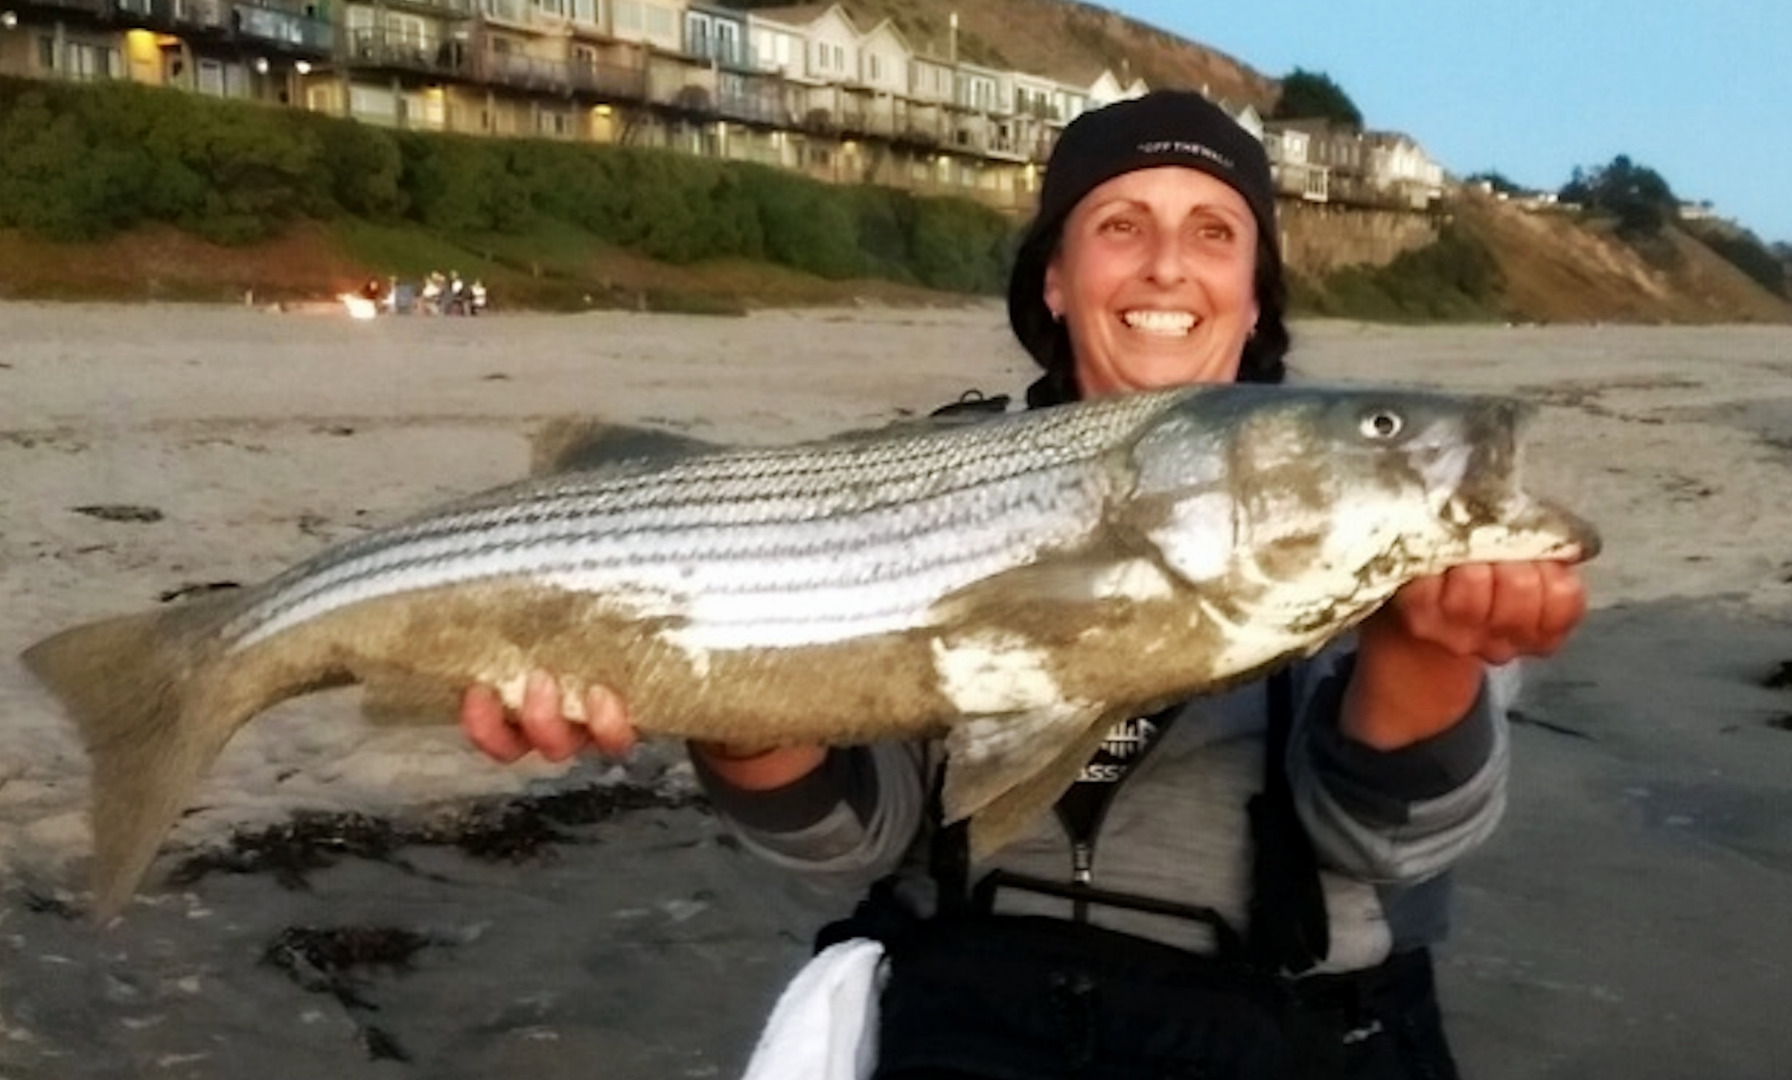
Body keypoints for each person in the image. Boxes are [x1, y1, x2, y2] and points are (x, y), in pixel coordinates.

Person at [459, 91, 1586, 1079]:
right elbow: (853, 842)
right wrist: (718, 707)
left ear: (1253, 291)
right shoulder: (928, 477)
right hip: (969, 1016)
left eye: (1213, 232)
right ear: (1054, 277)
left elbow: (1394, 849)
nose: (1164, 264)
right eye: (1118, 225)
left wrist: (1424, 655)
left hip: (1295, 1027)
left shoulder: (1363, 500)